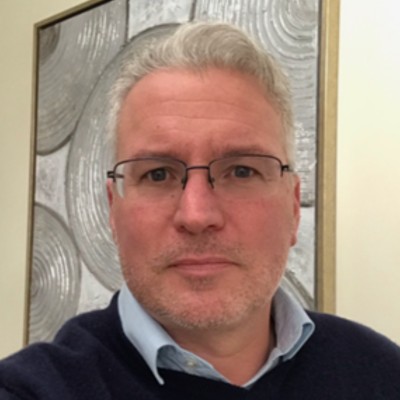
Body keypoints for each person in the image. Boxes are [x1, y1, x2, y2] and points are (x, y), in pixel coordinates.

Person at [1, 21, 399, 400]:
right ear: (112, 210)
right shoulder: (31, 389)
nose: (196, 215)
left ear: (293, 207)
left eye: (241, 171)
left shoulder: (381, 373)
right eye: (158, 174)